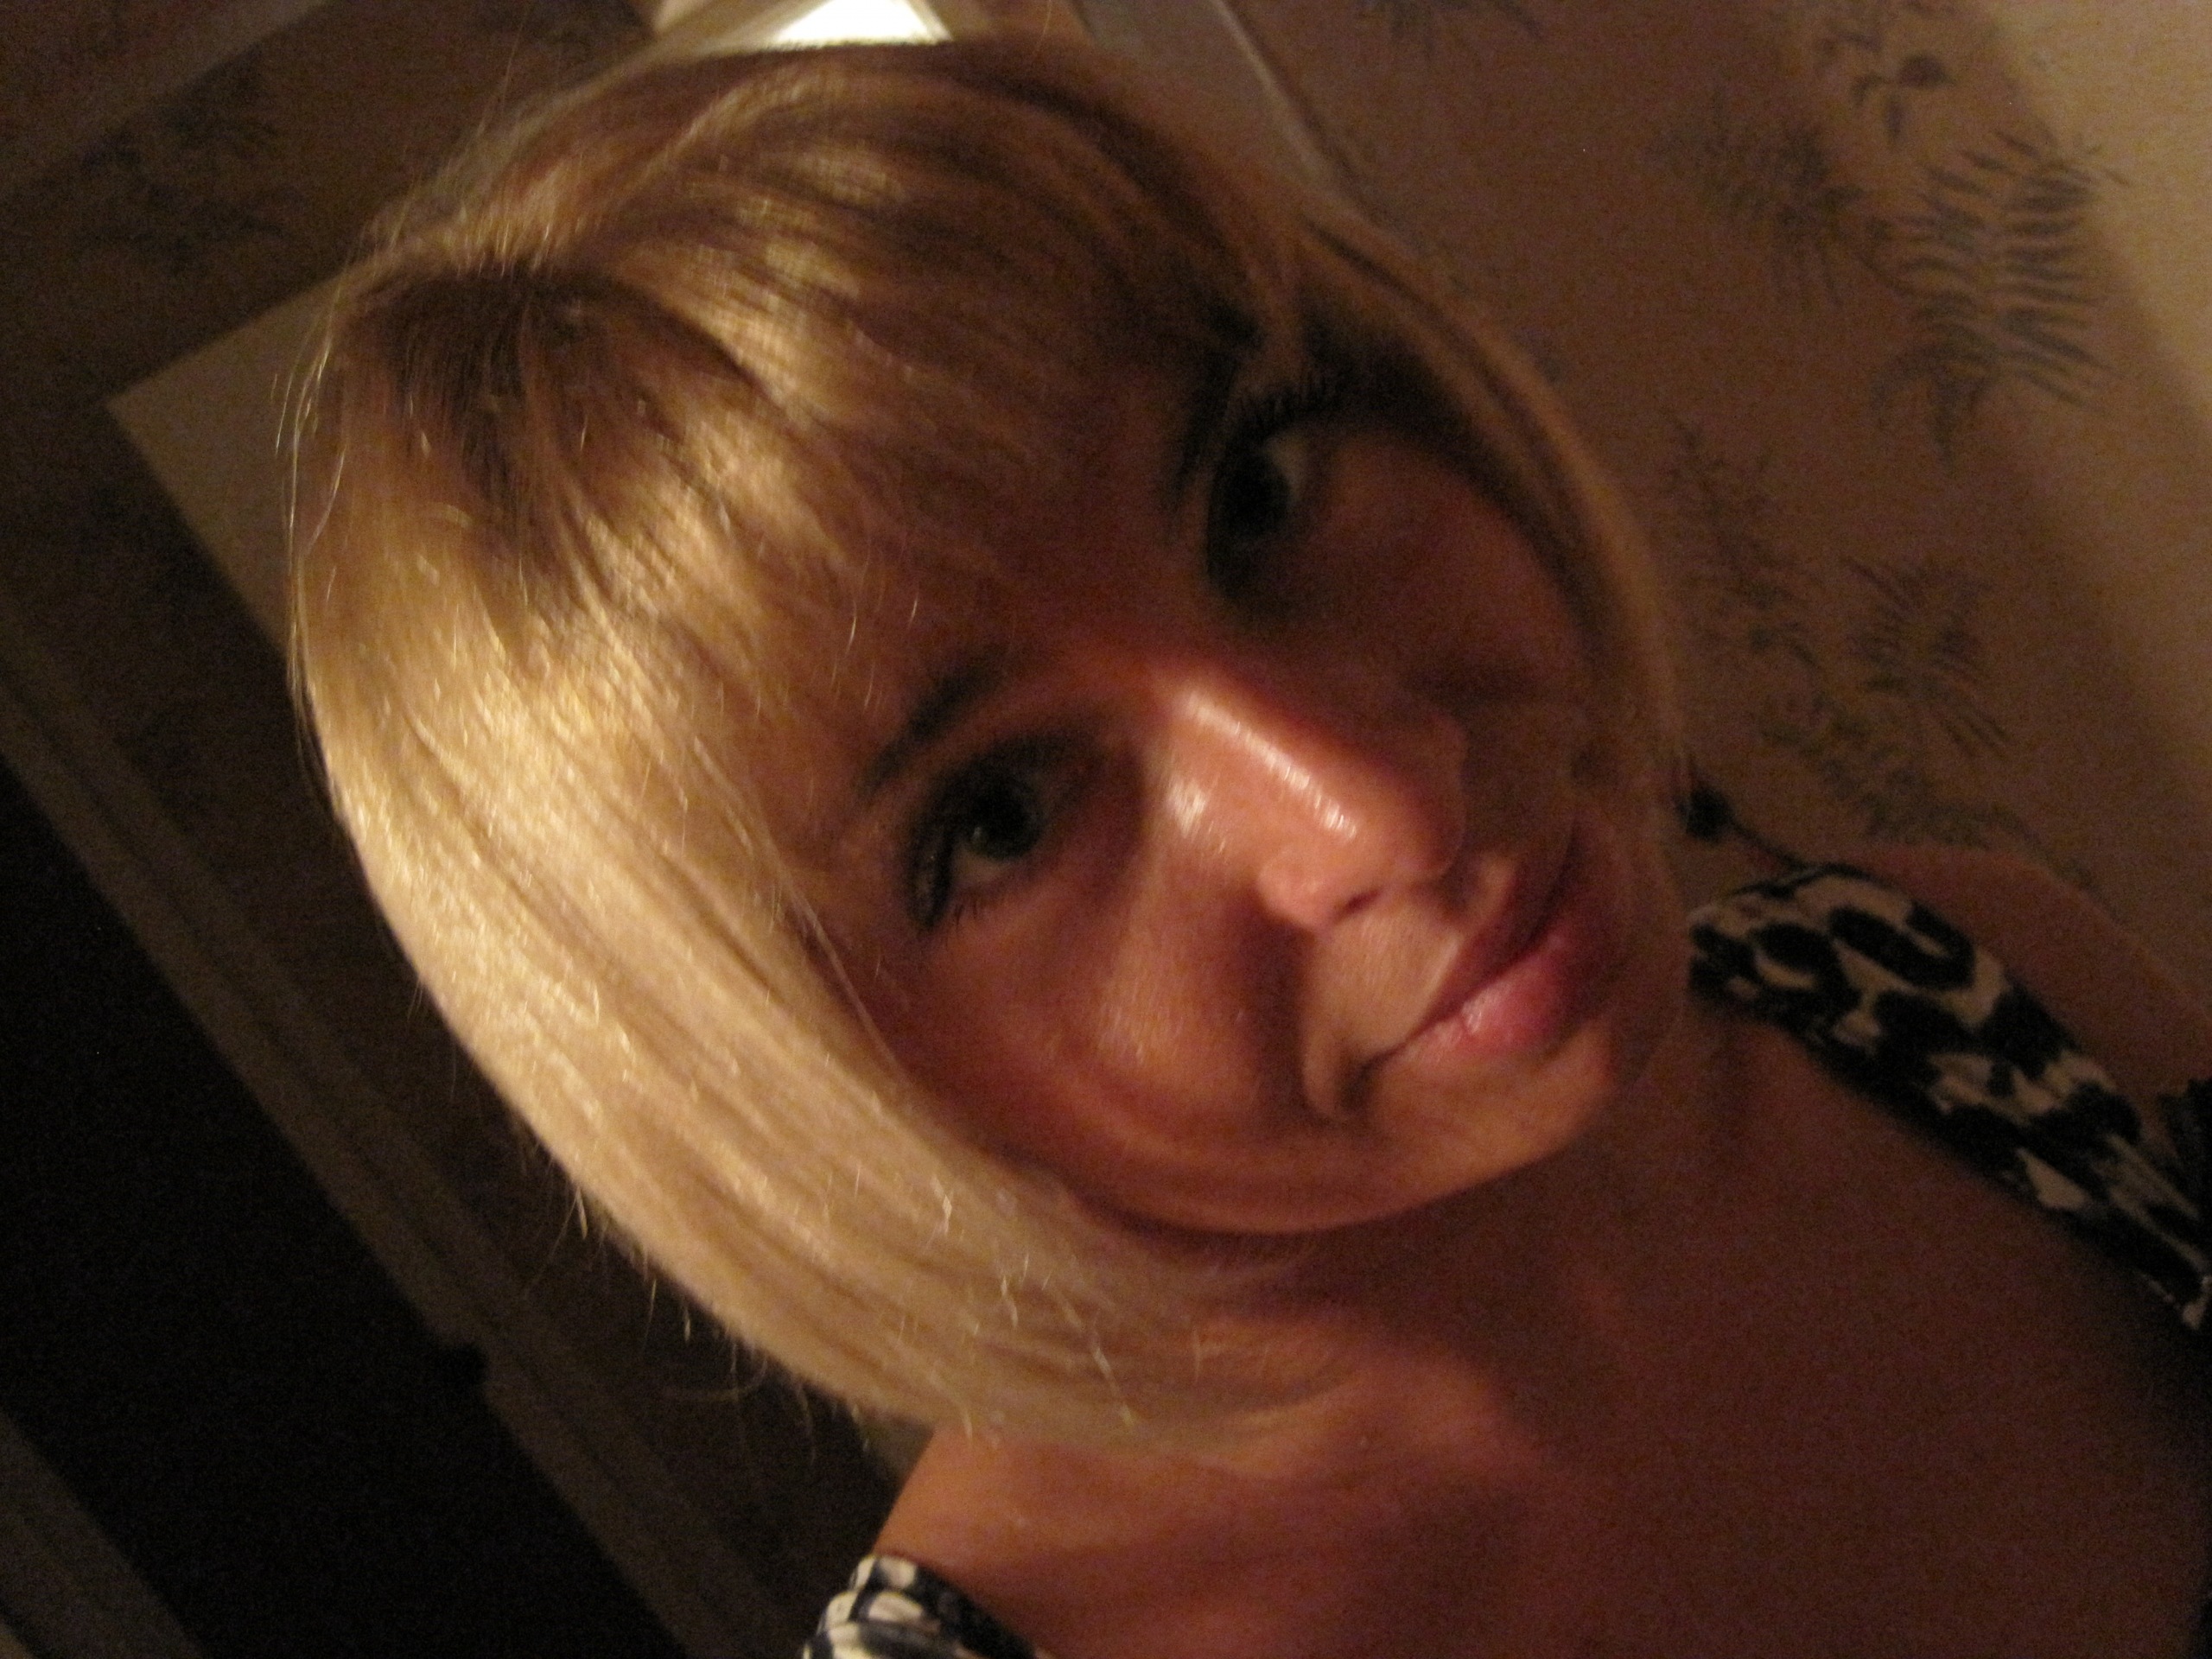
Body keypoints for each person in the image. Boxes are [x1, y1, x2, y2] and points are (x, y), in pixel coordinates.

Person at [289, 36, 2212, 1659]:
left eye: (1257, 488)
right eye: (1002, 818)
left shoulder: (1967, 989)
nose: (1379, 801)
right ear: (787, 1078)